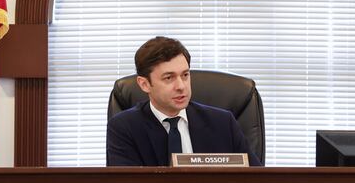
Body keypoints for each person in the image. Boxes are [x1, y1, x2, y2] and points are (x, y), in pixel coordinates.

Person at [106, 36, 262, 166]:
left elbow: (257, 180)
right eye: (169, 78)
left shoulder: (223, 123)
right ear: (145, 84)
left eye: (185, 75)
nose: (181, 86)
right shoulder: (125, 128)